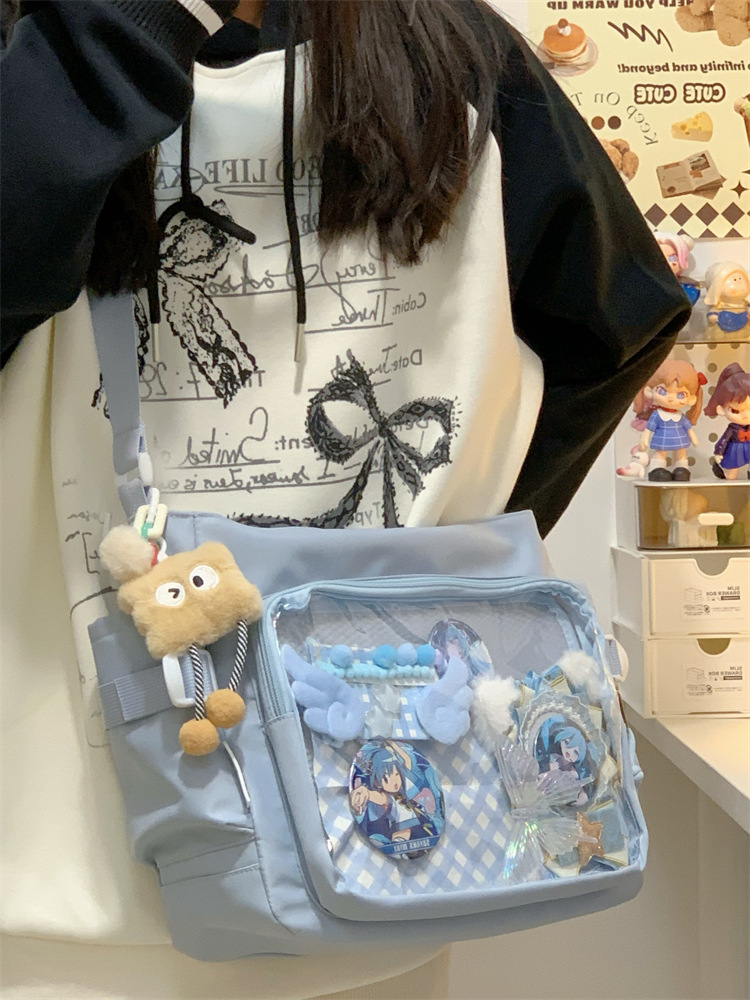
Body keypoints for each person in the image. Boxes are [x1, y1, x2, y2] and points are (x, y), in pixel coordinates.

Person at [1, 0, 689, 997]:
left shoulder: (447, 48)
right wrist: (448, 552)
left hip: (134, 885)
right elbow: (620, 322)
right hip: (371, 886)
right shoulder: (452, 49)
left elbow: (626, 321)